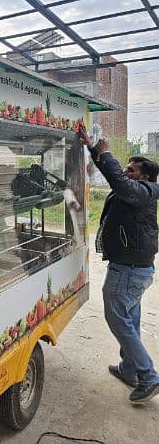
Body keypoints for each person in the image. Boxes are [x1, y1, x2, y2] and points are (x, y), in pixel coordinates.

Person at [79, 125, 159, 404]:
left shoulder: (144, 192)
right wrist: (92, 147)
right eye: (125, 168)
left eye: (132, 170)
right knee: (131, 317)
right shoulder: (136, 190)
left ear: (145, 176)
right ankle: (129, 370)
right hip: (134, 268)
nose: (126, 172)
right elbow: (114, 178)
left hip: (128, 270)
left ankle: (149, 376)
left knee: (117, 318)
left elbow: (120, 182)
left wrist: (107, 153)